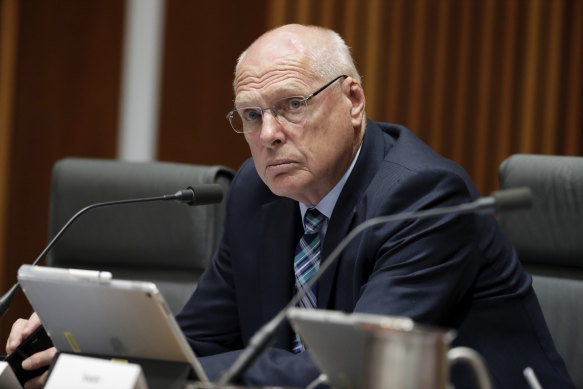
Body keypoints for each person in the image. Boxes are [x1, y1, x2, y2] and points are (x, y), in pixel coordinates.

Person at [6, 24, 574, 389]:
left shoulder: (422, 198)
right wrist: (88, 352)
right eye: (251, 115)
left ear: (352, 99)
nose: (269, 134)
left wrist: (142, 375)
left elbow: (348, 371)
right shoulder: (258, 192)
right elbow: (198, 340)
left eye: (292, 105)